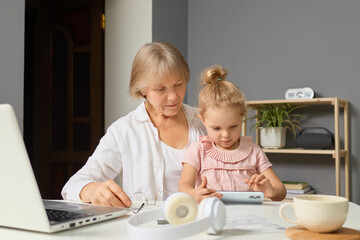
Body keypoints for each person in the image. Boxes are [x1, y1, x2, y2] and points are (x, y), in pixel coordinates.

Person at [61, 41, 207, 208]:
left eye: (179, 84)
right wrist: (93, 190)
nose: (173, 96)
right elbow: (72, 186)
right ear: (142, 89)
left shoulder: (203, 122)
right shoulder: (123, 131)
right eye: (161, 89)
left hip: (197, 228)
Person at [178, 65, 286, 203]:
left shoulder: (253, 151)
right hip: (210, 214)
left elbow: (281, 190)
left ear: (242, 117)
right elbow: (184, 186)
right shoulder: (198, 150)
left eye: (233, 126)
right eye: (216, 128)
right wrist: (193, 194)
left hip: (248, 218)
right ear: (203, 121)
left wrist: (270, 190)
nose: (225, 135)